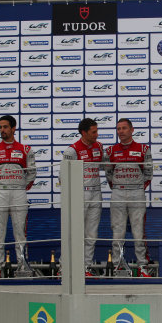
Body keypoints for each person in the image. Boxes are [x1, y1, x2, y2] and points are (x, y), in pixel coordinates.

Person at [0, 115, 36, 278]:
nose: (2, 130)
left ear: (13, 128)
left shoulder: (25, 149)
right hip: (0, 191)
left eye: (5, 127)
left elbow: (32, 173)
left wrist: (20, 186)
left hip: (19, 192)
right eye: (0, 127)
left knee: (20, 232)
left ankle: (22, 266)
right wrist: (1, 186)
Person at [104, 118, 153, 277]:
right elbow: (108, 174)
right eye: (118, 129)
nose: (121, 131)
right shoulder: (110, 151)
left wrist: (137, 187)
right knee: (117, 232)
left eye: (124, 128)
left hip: (137, 192)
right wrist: (119, 187)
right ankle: (117, 265)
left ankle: (142, 267)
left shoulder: (143, 149)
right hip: (118, 192)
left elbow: (148, 173)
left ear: (132, 130)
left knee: (138, 233)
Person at [60, 118, 104, 276]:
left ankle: (85, 267)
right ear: (84, 133)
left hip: (96, 192)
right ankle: (64, 267)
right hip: (79, 193)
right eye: (94, 132)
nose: (97, 135)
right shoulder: (72, 150)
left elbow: (106, 166)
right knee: (73, 232)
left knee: (92, 234)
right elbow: (63, 177)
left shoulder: (99, 146)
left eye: (97, 131)